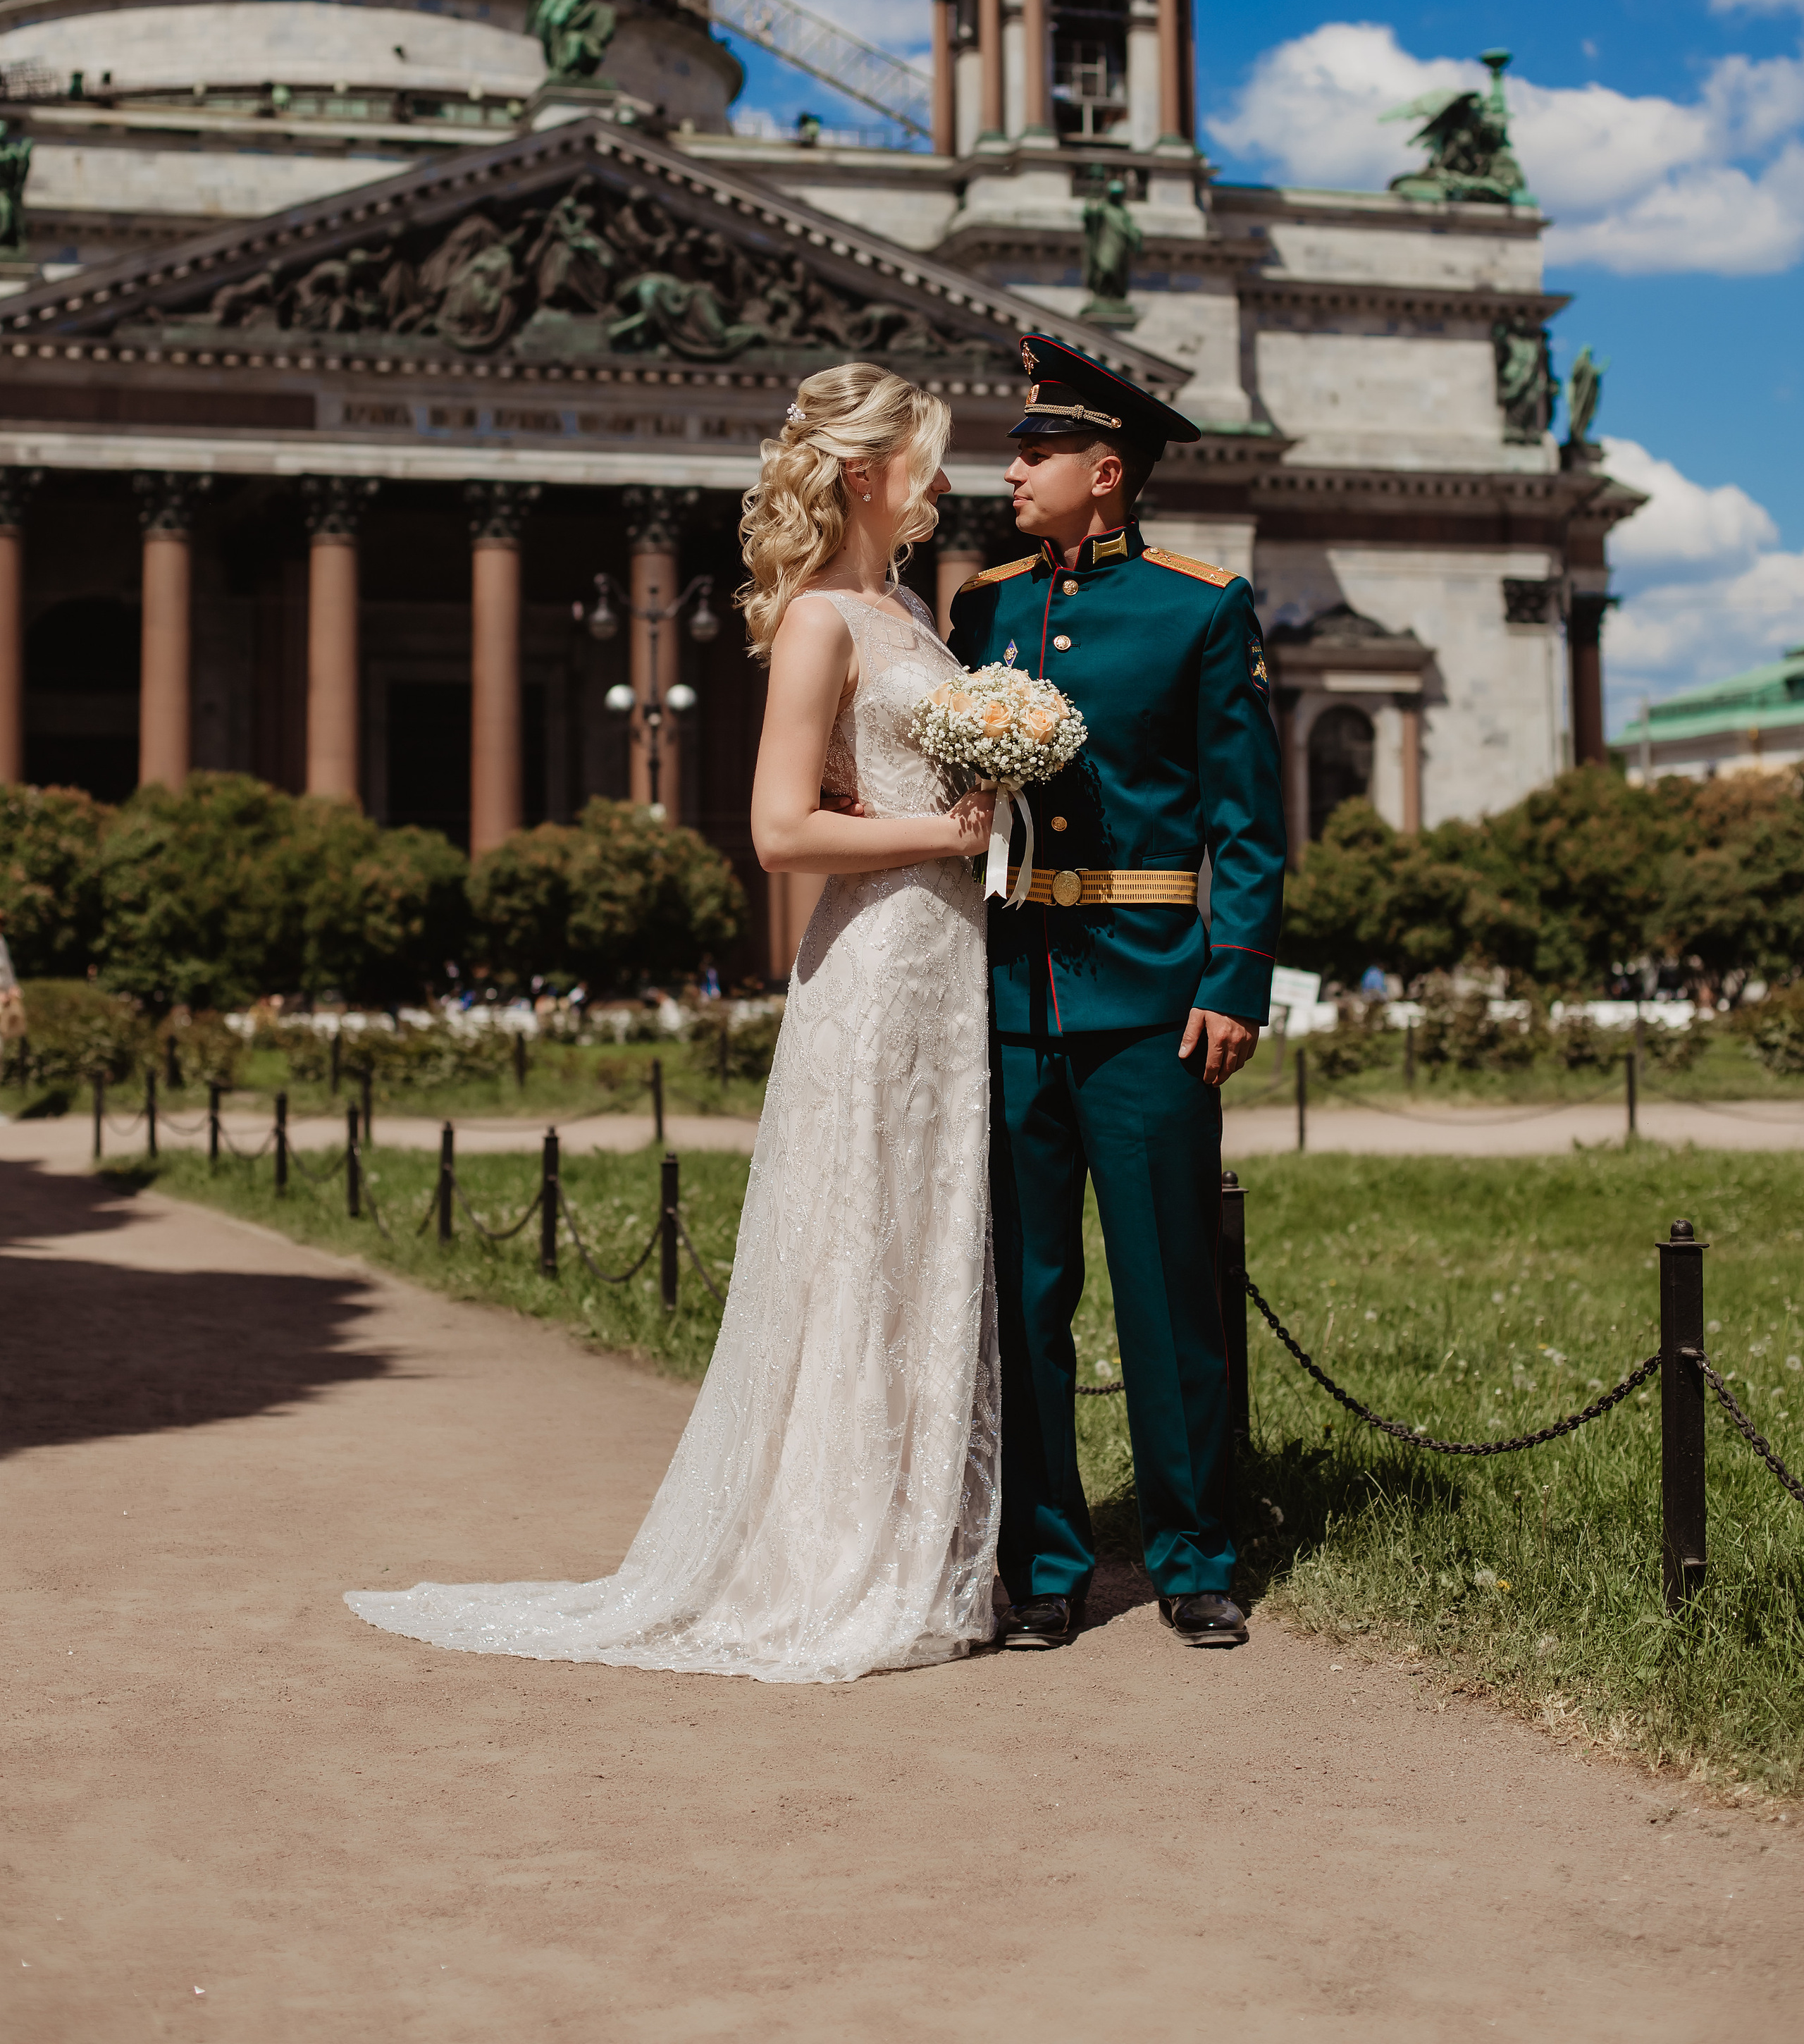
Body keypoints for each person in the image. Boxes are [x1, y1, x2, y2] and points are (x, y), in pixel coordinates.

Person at [347, 363, 1000, 1681]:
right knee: (860, 1244)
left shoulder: (911, 615)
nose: (947, 480)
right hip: (877, 964)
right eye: (928, 458)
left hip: (948, 960)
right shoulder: (824, 620)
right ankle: (831, 1559)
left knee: (928, 1240)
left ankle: (918, 1541)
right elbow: (777, 831)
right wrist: (956, 830)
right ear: (867, 473)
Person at [948, 334, 1287, 1651]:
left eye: (1036, 452)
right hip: (1011, 996)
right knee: (1025, 1298)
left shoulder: (1201, 607)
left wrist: (1236, 979)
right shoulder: (983, 605)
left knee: (1166, 1290)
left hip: (1152, 1003)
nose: (1012, 468)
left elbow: (1247, 824)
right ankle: (1046, 1567)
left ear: (1107, 472)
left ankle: (1195, 1551)